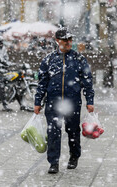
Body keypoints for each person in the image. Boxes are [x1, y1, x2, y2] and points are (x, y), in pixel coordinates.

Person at [34, 27, 95, 174]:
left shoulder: (78, 59)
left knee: (73, 130)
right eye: (65, 40)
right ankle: (53, 162)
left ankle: (74, 156)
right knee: (53, 131)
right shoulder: (49, 59)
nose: (68, 43)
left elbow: (87, 81)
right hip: (53, 102)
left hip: (72, 101)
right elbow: (42, 82)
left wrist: (89, 100)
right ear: (57, 41)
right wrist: (37, 101)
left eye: (70, 40)